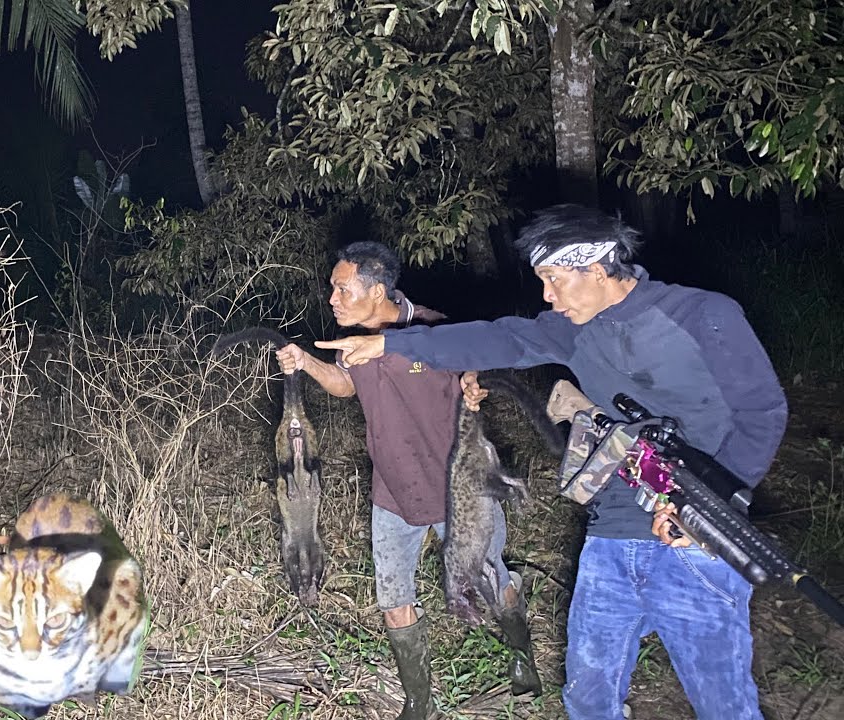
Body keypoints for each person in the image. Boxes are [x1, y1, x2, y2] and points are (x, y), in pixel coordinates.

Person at [319, 205, 787, 720]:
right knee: (588, 696)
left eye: (554, 279)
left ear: (598, 267)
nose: (548, 296)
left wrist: (707, 506)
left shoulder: (703, 315)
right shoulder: (571, 329)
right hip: (611, 535)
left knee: (723, 703)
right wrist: (389, 341)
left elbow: (762, 413)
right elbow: (499, 336)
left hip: (697, 539)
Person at [276, 241, 542, 720]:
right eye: (332, 290)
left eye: (341, 289)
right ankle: (419, 702)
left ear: (377, 290)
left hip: (457, 489)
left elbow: (471, 376)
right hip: (393, 492)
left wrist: (473, 387)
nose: (332, 299)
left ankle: (521, 653)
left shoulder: (435, 330)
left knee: (492, 582)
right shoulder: (354, 340)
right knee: (394, 599)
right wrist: (305, 362)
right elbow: (344, 385)